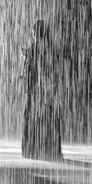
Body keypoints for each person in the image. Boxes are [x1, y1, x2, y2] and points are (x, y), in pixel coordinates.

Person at [21, 19, 62, 160]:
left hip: (38, 91)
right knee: (46, 120)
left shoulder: (38, 50)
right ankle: (47, 151)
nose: (33, 35)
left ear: (35, 33)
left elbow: (42, 71)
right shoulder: (44, 49)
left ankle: (32, 151)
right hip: (40, 91)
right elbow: (53, 72)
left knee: (35, 119)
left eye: (34, 32)